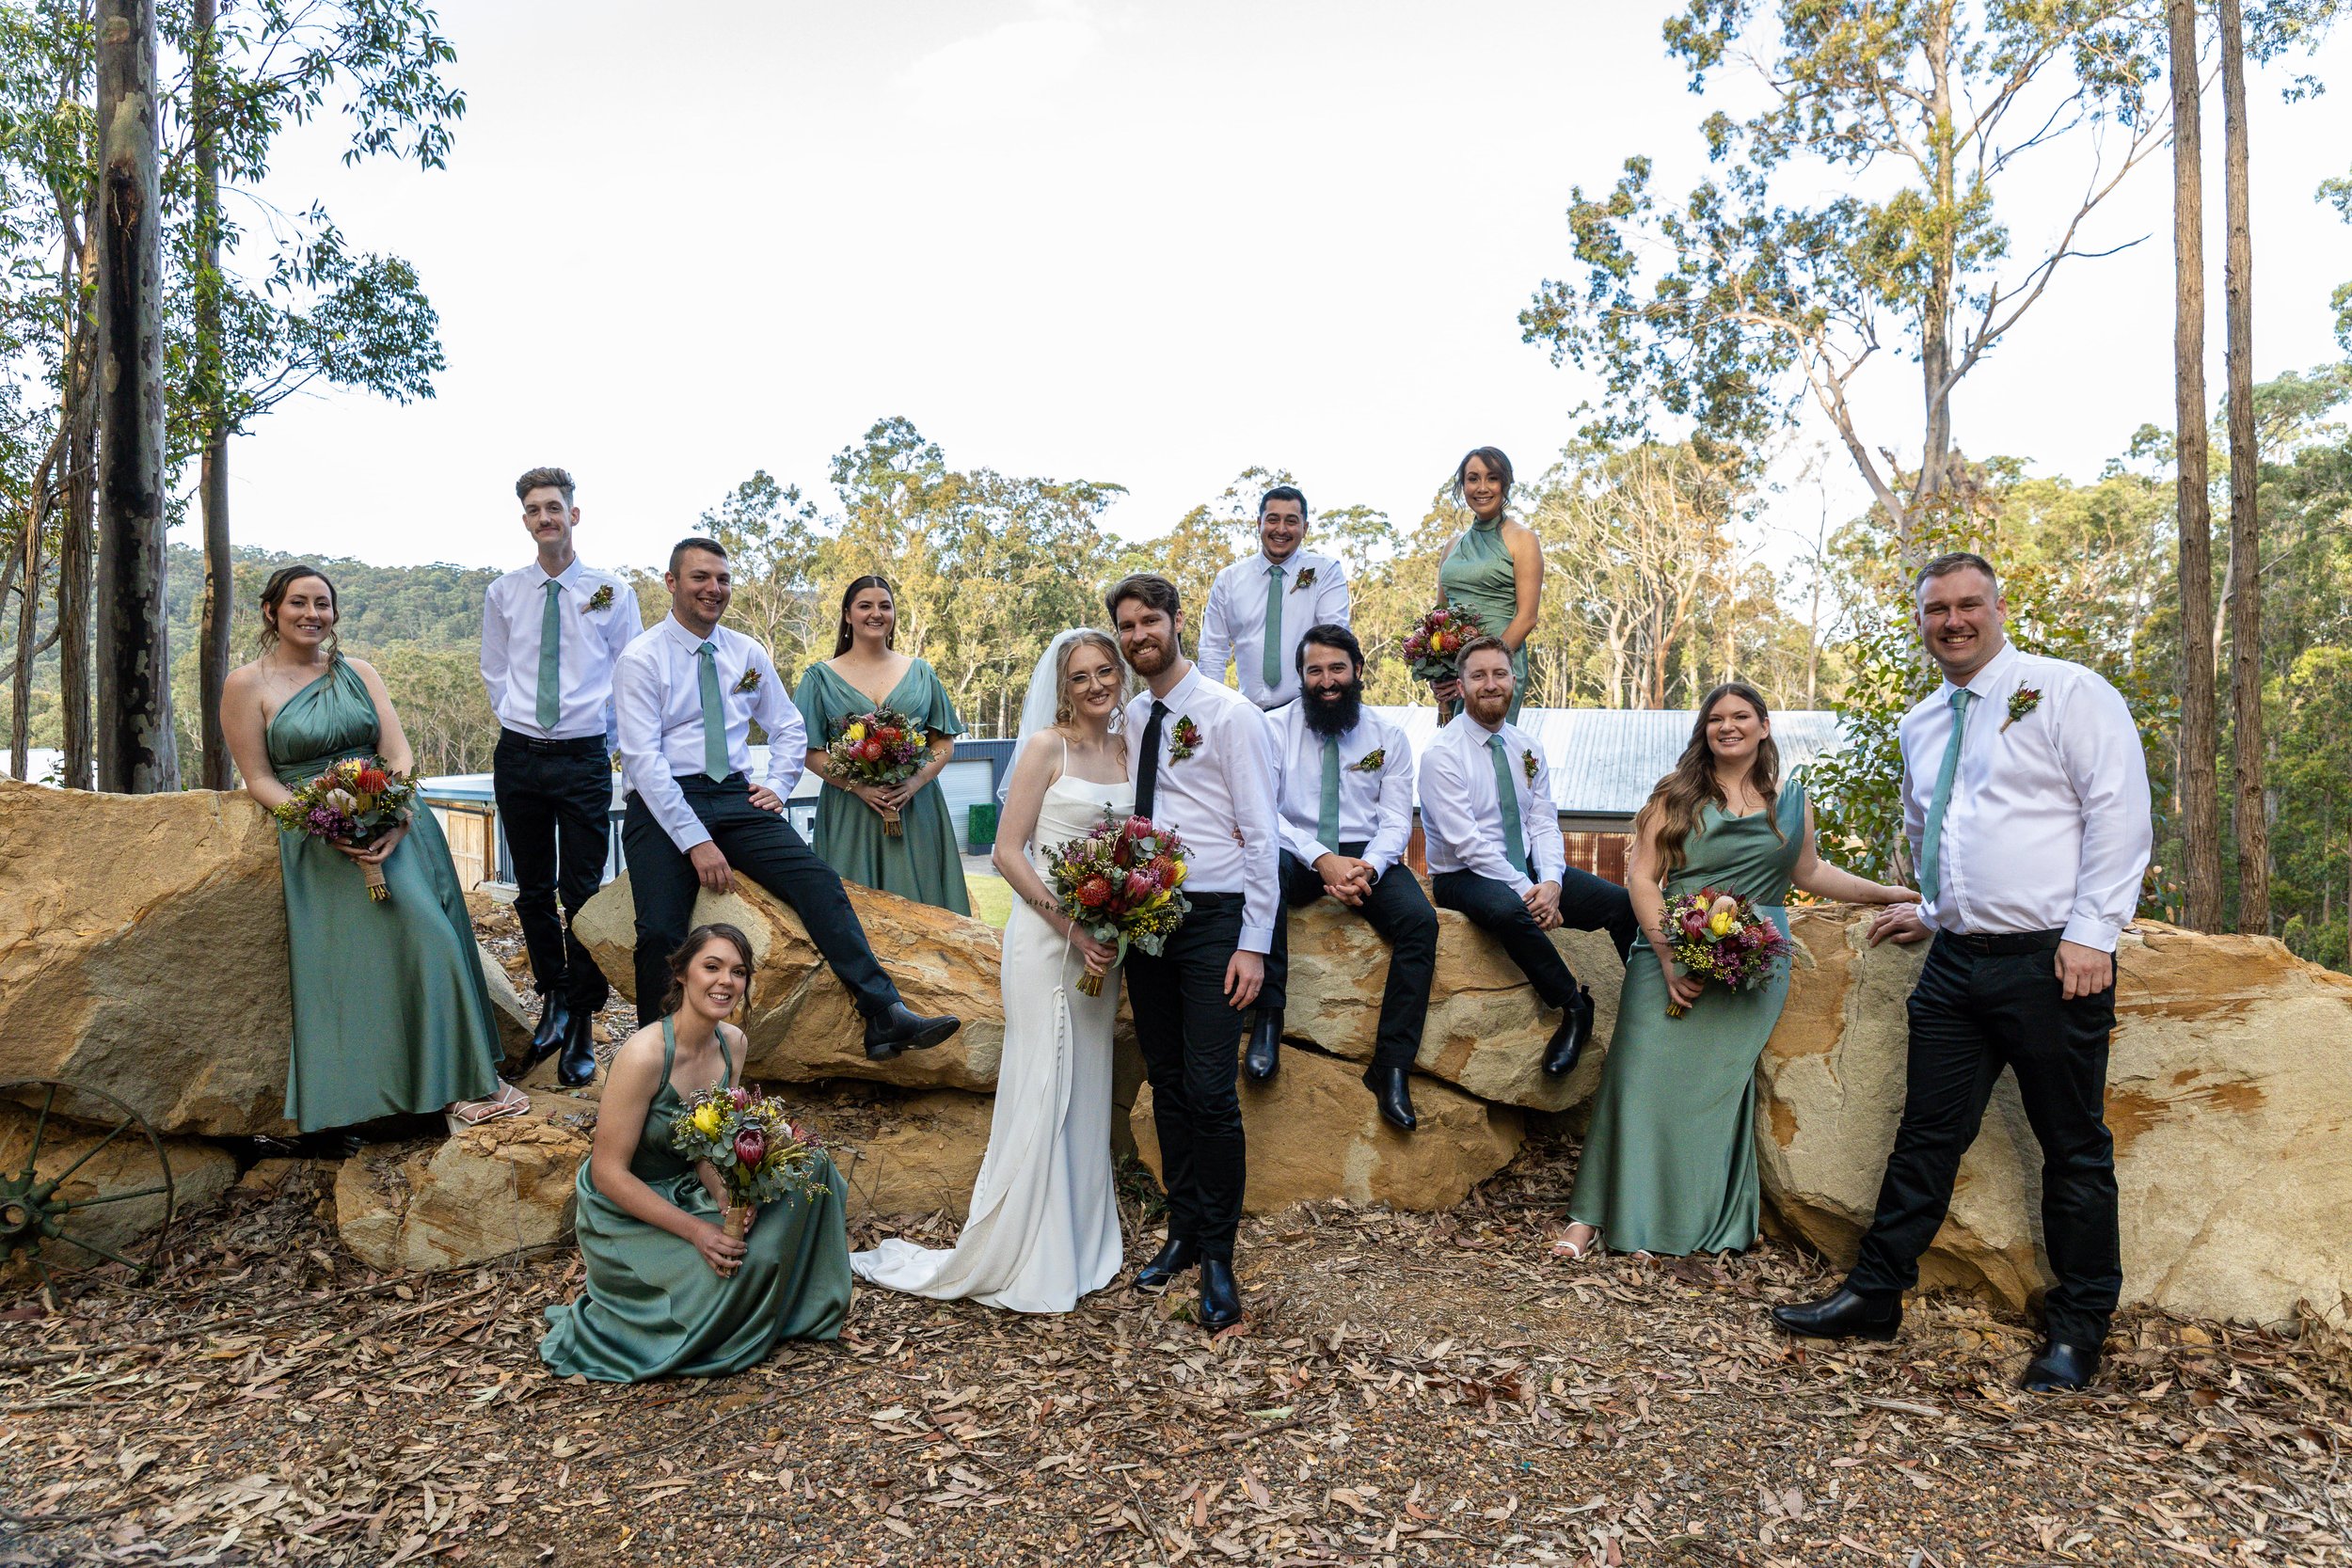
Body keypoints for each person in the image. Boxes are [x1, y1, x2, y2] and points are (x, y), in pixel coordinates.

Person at [1772, 553, 2152, 1395]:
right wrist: (1935, 911)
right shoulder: (1923, 722)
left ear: (1998, 605)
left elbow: (2118, 813)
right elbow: (1934, 826)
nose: (1953, 620)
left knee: (2074, 1147)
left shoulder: (2068, 692)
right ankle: (1876, 1293)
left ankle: (2080, 1326)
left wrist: (2092, 933)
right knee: (1926, 1134)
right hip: (1955, 965)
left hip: (2054, 962)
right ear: (1922, 621)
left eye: (1968, 603)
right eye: (1936, 608)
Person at [1559, 683, 1915, 1259]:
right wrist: (1669, 952)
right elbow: (1642, 879)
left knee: (1712, 1095)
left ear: (1764, 727)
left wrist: (1885, 892)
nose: (1728, 726)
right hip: (1669, 947)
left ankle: (1683, 1222)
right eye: (1716, 718)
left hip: (1754, 963)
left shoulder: (1793, 800)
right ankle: (1590, 1215)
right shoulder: (1673, 796)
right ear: (1704, 730)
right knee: (1637, 1077)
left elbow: (1810, 874)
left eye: (1741, 716)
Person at [851, 630, 1131, 1311]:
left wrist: (1123, 914)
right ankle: (1029, 1249)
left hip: (1105, 944)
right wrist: (1070, 925)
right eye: (1081, 675)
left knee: (1087, 1084)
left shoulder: (1131, 746)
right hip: (1047, 942)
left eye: (1105, 671)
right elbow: (1008, 853)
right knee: (1043, 1081)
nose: (1095, 684)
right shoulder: (1045, 747)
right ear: (1062, 686)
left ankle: (1082, 1237)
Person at [611, 536, 960, 1061]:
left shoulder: (746, 652)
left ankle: (884, 1013)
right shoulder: (641, 659)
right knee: (660, 928)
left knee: (818, 883)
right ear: (671, 583)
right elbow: (643, 761)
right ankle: (658, 1064)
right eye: (700, 577)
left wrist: (776, 785)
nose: (713, 589)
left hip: (735, 796)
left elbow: (789, 728)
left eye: (722, 579)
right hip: (663, 806)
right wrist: (696, 843)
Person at [219, 564, 527, 1136]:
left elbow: (398, 750)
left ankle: (463, 1085)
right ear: (271, 612)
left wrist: (399, 809)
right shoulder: (247, 684)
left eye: (323, 604)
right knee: (357, 969)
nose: (313, 614)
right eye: (298, 603)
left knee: (431, 938)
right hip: (319, 839)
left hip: (395, 822)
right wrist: (316, 821)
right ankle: (381, 1096)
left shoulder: (360, 672)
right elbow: (258, 777)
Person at [539, 924, 851, 1380]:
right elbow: (608, 1173)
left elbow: (710, 1146)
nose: (726, 981)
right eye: (712, 966)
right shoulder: (644, 1055)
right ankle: (697, 1309)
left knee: (812, 1166)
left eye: (738, 971)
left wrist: (728, 1195)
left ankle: (791, 1300)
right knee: (736, 1267)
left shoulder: (734, 1044)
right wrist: (697, 1232)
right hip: (629, 1206)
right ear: (682, 973)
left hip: (688, 1184)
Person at [1109, 573, 1279, 1333]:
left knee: (1212, 1091)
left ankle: (1219, 1255)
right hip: (1150, 916)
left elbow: (1261, 835)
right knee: (1170, 1080)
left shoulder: (1231, 715)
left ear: (1177, 623)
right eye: (1126, 625)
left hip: (1215, 916)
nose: (1138, 635)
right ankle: (1180, 1229)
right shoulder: (1134, 715)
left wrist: (1253, 942)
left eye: (1150, 621)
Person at [479, 467, 637, 1087]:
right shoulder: (504, 591)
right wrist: (520, 720)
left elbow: (630, 674)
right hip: (519, 754)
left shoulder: (609, 592)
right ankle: (550, 993)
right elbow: (495, 669)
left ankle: (580, 1016)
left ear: (575, 514)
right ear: (525, 521)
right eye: (535, 510)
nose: (546, 517)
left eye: (555, 507)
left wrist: (624, 755)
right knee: (532, 888)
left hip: (582, 758)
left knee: (584, 891)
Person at [1419, 637, 1638, 1079]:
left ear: (1514, 680)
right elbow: (1467, 843)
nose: (1490, 684)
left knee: (1622, 905)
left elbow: (1542, 822)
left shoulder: (1527, 747)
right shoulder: (1442, 754)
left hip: (1530, 870)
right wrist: (1528, 891)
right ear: (1460, 686)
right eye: (1478, 675)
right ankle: (1574, 1007)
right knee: (1507, 909)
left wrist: (1553, 883)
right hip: (1464, 874)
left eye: (1499, 674)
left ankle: (1647, 1010)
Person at [1252, 625, 1436, 1128]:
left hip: (1366, 855)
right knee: (1262, 875)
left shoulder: (1389, 737)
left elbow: (1397, 820)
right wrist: (1320, 859)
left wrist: (1368, 867)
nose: (1327, 681)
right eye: (1315, 670)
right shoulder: (1271, 729)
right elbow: (1265, 813)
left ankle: (1392, 1066)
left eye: (1337, 669)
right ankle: (1267, 1019)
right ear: (1301, 677)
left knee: (1420, 923)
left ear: (1358, 671)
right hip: (1296, 849)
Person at [793, 576, 972, 916]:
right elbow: (809, 751)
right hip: (851, 810)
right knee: (853, 913)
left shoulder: (921, 672)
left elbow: (943, 742)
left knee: (926, 915)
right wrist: (858, 786)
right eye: (865, 606)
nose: (876, 614)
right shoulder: (818, 678)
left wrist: (915, 781)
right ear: (847, 615)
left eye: (884, 606)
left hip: (916, 808)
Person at [1194, 485, 1353, 714]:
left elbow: (1335, 639)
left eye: (1291, 521)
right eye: (1272, 519)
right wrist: (1213, 711)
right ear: (1258, 523)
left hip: (1307, 712)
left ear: (1305, 528)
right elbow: (1212, 651)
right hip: (1247, 713)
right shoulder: (1228, 579)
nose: (1281, 529)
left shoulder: (1325, 571)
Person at [1430, 448, 1541, 724]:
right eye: (1473, 478)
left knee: (1489, 753)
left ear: (1505, 484)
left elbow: (1527, 617)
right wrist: (1442, 681)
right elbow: (1439, 620)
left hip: (1497, 670)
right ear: (1462, 485)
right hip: (1457, 673)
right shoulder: (1451, 547)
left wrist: (1483, 668)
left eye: (1492, 478)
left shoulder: (1523, 540)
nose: (1482, 488)